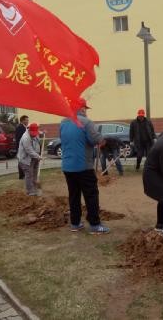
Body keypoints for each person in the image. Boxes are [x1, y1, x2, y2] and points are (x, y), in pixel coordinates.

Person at [60, 97, 110, 234]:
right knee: (91, 195)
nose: (86, 111)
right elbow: (98, 140)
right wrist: (102, 140)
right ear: (81, 108)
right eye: (85, 108)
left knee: (74, 195)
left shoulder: (63, 123)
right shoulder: (86, 123)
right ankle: (95, 224)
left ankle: (75, 223)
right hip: (83, 166)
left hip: (67, 166)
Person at [17, 123, 42, 196]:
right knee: (29, 175)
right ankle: (30, 192)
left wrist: (42, 133)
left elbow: (38, 133)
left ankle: (35, 189)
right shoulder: (25, 138)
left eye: (35, 133)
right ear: (29, 130)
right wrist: (38, 156)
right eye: (33, 133)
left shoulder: (35, 133)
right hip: (26, 160)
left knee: (35, 174)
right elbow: (29, 151)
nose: (34, 135)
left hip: (34, 158)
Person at [15, 115, 29, 180]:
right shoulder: (20, 127)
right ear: (23, 120)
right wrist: (20, 148)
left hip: (24, 147)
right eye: (26, 120)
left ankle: (24, 174)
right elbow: (19, 138)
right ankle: (21, 176)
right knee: (21, 161)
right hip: (21, 147)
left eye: (28, 120)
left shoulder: (24, 127)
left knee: (24, 161)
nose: (27, 121)